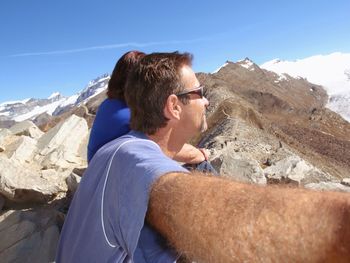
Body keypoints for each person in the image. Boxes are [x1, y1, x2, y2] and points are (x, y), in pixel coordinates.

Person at [56, 52, 350, 263]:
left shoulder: (117, 149)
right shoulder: (134, 157)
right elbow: (183, 198)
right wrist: (338, 227)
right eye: (199, 92)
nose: (208, 100)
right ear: (173, 106)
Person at [87, 51, 211, 170]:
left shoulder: (108, 104)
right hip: (117, 174)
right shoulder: (129, 115)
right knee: (202, 166)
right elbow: (164, 146)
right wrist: (199, 154)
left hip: (100, 168)